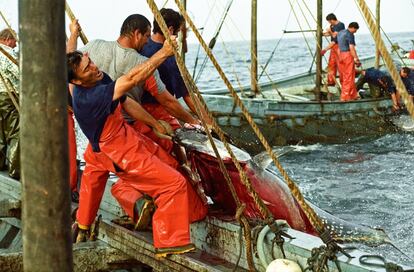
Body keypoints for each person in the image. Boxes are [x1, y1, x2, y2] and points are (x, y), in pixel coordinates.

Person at [67, 40, 207, 256]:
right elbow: (132, 79)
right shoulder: (91, 97)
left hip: (106, 143)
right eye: (87, 68)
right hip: (116, 151)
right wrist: (164, 53)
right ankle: (169, 241)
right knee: (173, 184)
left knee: (168, 162)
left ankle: (83, 224)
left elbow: (124, 101)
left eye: (91, 62)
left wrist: (155, 124)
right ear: (76, 81)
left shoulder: (97, 78)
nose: (94, 67)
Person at [78, 14, 200, 153]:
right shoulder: (143, 64)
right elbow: (167, 101)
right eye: (147, 36)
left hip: (96, 129)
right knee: (169, 162)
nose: (148, 42)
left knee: (96, 168)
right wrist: (194, 122)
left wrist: (74, 105)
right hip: (125, 128)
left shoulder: (94, 46)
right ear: (137, 34)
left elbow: (68, 66)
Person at [140, 8, 212, 152]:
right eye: (178, 33)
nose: (178, 36)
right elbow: (186, 96)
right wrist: (209, 123)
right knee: (180, 150)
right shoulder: (168, 58)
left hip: (136, 110)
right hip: (157, 111)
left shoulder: (141, 46)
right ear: (171, 29)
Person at [0, 28, 19, 179]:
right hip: (8, 95)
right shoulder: (7, 52)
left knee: (0, 131)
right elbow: (19, 73)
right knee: (15, 131)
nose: (15, 45)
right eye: (14, 41)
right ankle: (15, 169)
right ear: (7, 39)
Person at [337, 22, 361, 101]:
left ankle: (353, 95)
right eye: (356, 30)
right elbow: (352, 48)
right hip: (347, 55)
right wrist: (356, 59)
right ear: (353, 28)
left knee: (345, 76)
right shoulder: (350, 35)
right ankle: (345, 97)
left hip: (340, 54)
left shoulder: (340, 33)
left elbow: (337, 45)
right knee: (349, 77)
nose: (355, 32)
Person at [321, 13, 345, 86]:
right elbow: (329, 34)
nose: (329, 23)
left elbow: (334, 35)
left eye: (329, 21)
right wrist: (322, 34)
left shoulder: (340, 25)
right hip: (333, 47)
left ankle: (343, 82)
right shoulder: (332, 26)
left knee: (340, 66)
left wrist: (325, 49)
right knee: (331, 64)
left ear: (332, 20)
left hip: (339, 46)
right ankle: (331, 82)